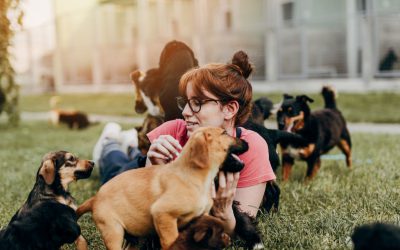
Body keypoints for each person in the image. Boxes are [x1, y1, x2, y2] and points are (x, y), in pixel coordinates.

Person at [93, 50, 275, 236]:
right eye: (186, 102)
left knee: (129, 155)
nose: (186, 112)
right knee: (113, 171)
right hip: (131, 176)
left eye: (197, 102)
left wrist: (224, 213)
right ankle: (109, 141)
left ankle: (128, 143)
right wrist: (153, 165)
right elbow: (151, 214)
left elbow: (235, 231)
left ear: (229, 109)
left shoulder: (253, 147)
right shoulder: (173, 130)